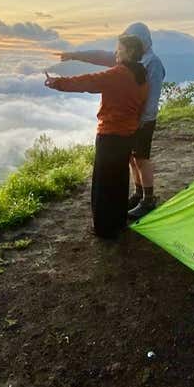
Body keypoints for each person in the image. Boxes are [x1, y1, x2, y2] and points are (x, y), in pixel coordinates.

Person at [58, 22, 165, 220]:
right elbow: (101, 56)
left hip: (142, 120)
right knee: (132, 159)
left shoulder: (153, 63)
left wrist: (142, 121)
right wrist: (76, 55)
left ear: (138, 42)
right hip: (131, 119)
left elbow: (152, 97)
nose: (117, 51)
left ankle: (148, 200)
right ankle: (138, 194)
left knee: (141, 158)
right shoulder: (129, 58)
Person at [45, 35, 148, 238]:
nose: (116, 52)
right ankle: (118, 222)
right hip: (128, 134)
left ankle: (103, 228)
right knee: (119, 178)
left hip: (110, 134)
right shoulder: (141, 75)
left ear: (128, 52)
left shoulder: (119, 73)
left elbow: (89, 82)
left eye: (119, 49)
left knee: (103, 182)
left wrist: (57, 82)